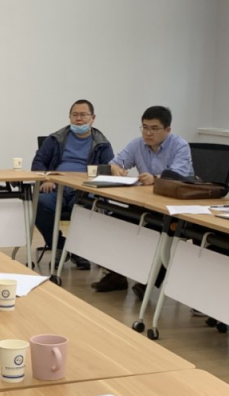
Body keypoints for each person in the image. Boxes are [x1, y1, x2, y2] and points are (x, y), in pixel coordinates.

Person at [91, 106, 193, 294]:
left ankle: (150, 281)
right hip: (146, 203)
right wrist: (117, 169)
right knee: (114, 222)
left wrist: (156, 178)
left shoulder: (180, 146)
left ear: (167, 130)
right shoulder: (137, 144)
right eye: (145, 127)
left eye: (154, 128)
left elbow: (179, 174)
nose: (148, 133)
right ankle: (116, 275)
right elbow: (118, 162)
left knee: (155, 231)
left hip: (173, 207)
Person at [32, 99, 114, 269]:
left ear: (93, 118)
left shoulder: (102, 144)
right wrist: (47, 178)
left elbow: (108, 169)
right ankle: (60, 245)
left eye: (83, 115)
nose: (78, 119)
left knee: (89, 206)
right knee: (39, 203)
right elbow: (38, 162)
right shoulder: (55, 139)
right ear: (69, 117)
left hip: (84, 189)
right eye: (75, 115)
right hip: (56, 186)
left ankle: (78, 250)